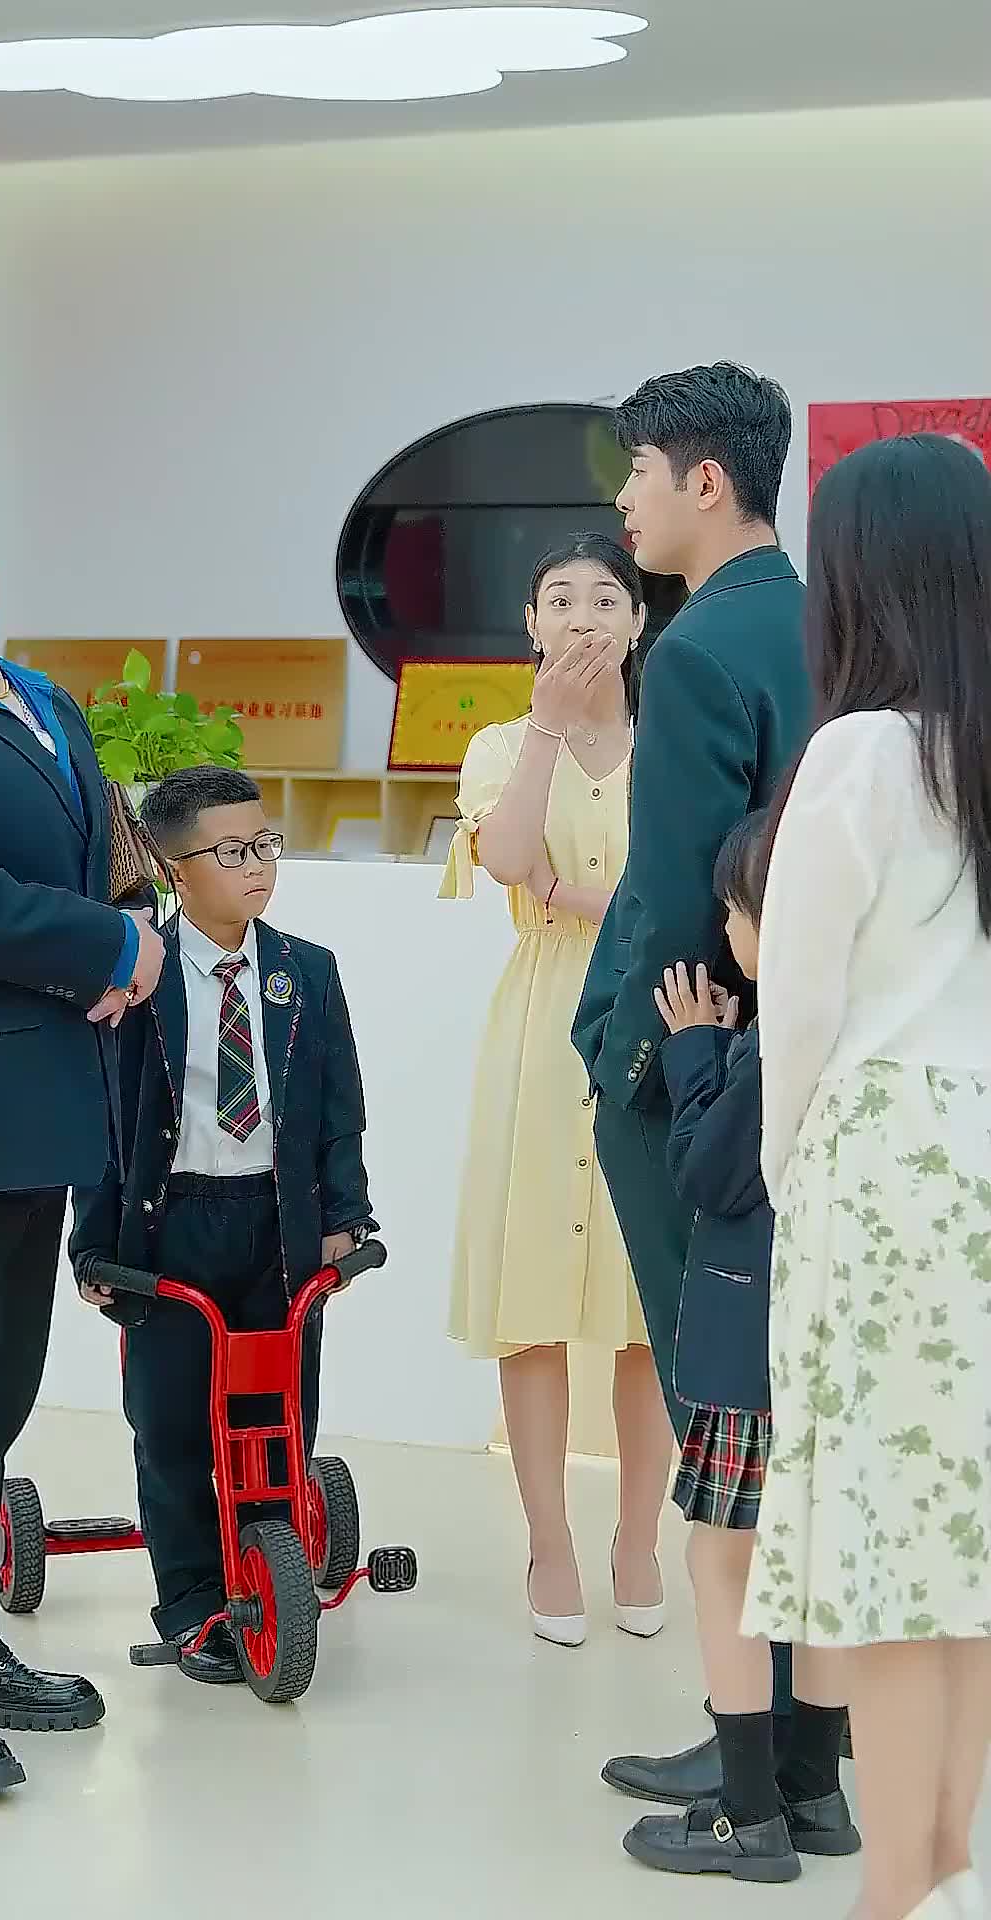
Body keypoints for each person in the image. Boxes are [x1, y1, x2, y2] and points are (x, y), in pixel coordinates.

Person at [742, 434, 991, 1920]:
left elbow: (801, 1005)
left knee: (898, 1552)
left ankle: (896, 1884)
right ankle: (946, 1853)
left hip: (887, 1160)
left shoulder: (863, 753)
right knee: (970, 1534)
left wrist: (790, 1166)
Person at [572, 364, 810, 1792]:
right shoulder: (827, 619)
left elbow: (671, 893)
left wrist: (630, 1062)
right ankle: (805, 1753)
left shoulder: (701, 648)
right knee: (791, 1413)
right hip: (812, 1059)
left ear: (704, 480)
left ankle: (749, 1760)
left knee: (721, 1412)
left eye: (639, 473)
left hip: (706, 1075)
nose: (624, 502)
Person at [0, 484, 164, 1803]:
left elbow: (107, 858)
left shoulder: (44, 701)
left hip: (36, 1103)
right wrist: (107, 944)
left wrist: (137, 926)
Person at [70, 767, 376, 1682]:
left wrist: (346, 1215)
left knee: (277, 1414)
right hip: (170, 1227)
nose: (257, 866)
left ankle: (268, 1577)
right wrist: (93, 1244)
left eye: (264, 845)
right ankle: (194, 1603)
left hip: (278, 1225)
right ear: (176, 868)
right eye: (232, 851)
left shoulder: (306, 971)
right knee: (171, 1426)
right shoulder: (141, 978)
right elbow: (102, 1123)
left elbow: (339, 1108)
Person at [440, 534, 672, 1645]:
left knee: (646, 1310)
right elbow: (505, 860)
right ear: (532, 623)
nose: (585, 617)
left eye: (607, 598)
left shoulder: (676, 741)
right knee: (531, 1304)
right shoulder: (499, 745)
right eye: (561, 599)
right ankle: (549, 1544)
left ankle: (640, 1539)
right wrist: (544, 728)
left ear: (639, 620)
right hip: (542, 1032)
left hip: (657, 1024)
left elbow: (690, 895)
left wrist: (577, 896)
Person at [622, 815, 855, 1885]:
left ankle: (748, 1817)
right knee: (820, 1564)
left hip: (754, 1341)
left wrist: (694, 1051)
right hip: (843, 1343)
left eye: (736, 910)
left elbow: (712, 1175)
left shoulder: (779, 1039)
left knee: (724, 1563)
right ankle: (815, 1793)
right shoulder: (876, 1023)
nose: (725, 931)